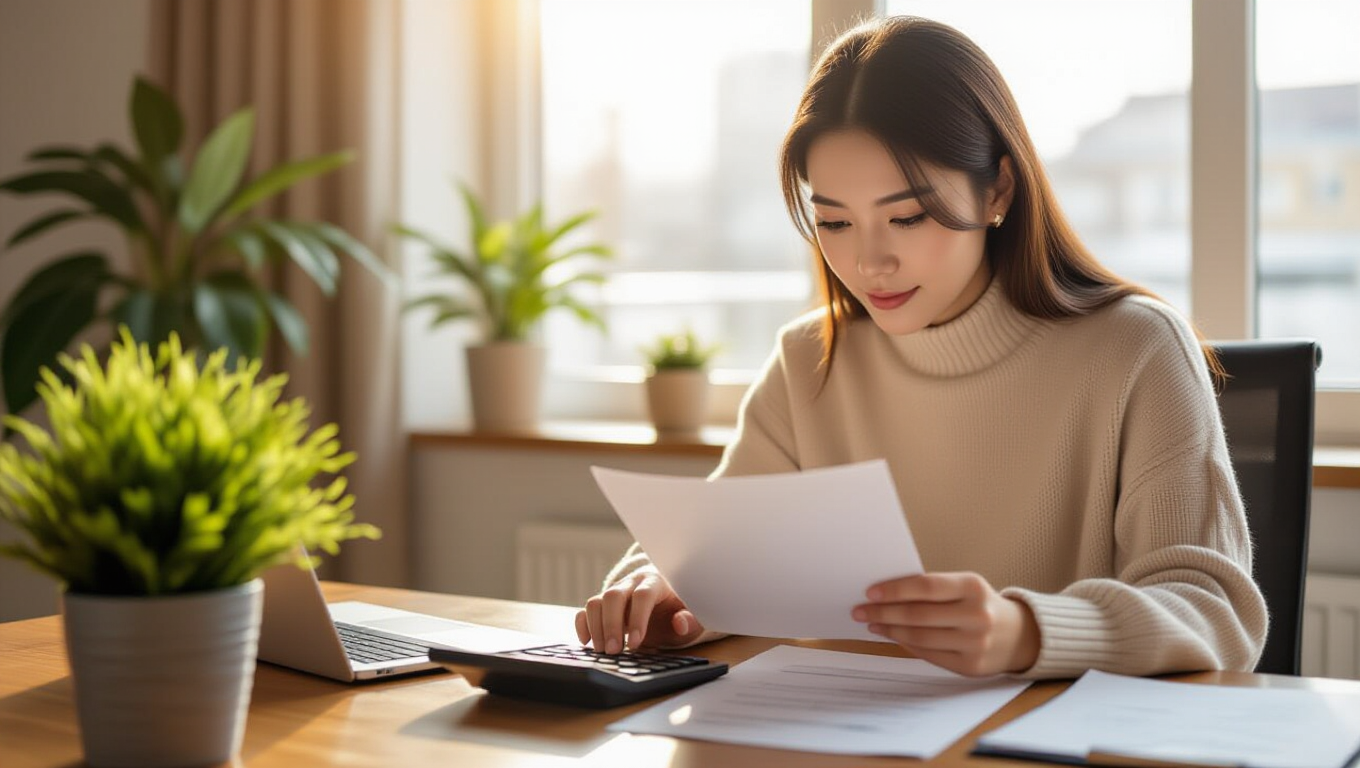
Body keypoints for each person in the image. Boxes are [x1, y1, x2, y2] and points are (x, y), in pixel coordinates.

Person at [576, 15, 1266, 679]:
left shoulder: (1136, 350)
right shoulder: (808, 364)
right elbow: (705, 559)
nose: (870, 261)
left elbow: (1217, 612)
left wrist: (1023, 632)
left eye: (906, 216)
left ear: (997, 188)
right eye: (835, 222)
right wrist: (662, 595)